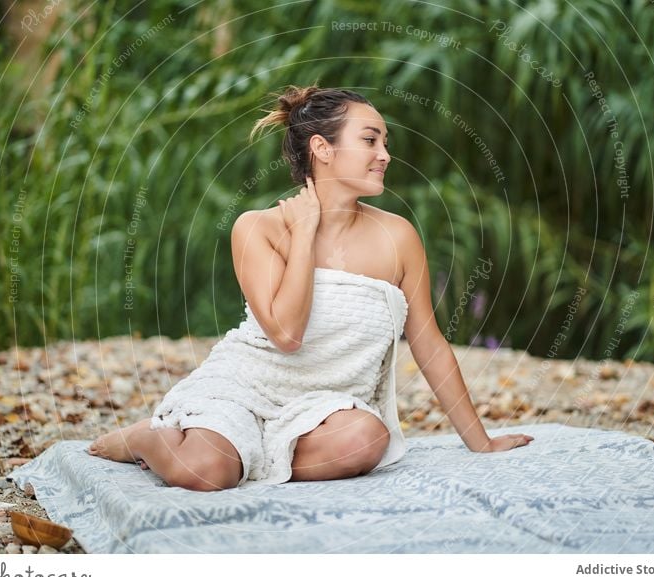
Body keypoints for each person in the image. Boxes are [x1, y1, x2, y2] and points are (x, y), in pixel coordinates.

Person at [87, 83, 534, 491]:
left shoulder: (398, 237)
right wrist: (304, 235)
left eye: (384, 143)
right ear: (322, 148)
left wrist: (481, 441)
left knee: (367, 441)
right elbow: (286, 335)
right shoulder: (257, 228)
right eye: (369, 140)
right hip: (245, 388)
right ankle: (149, 437)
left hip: (326, 408)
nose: (384, 154)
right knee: (207, 472)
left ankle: (247, 455)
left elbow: (429, 344)